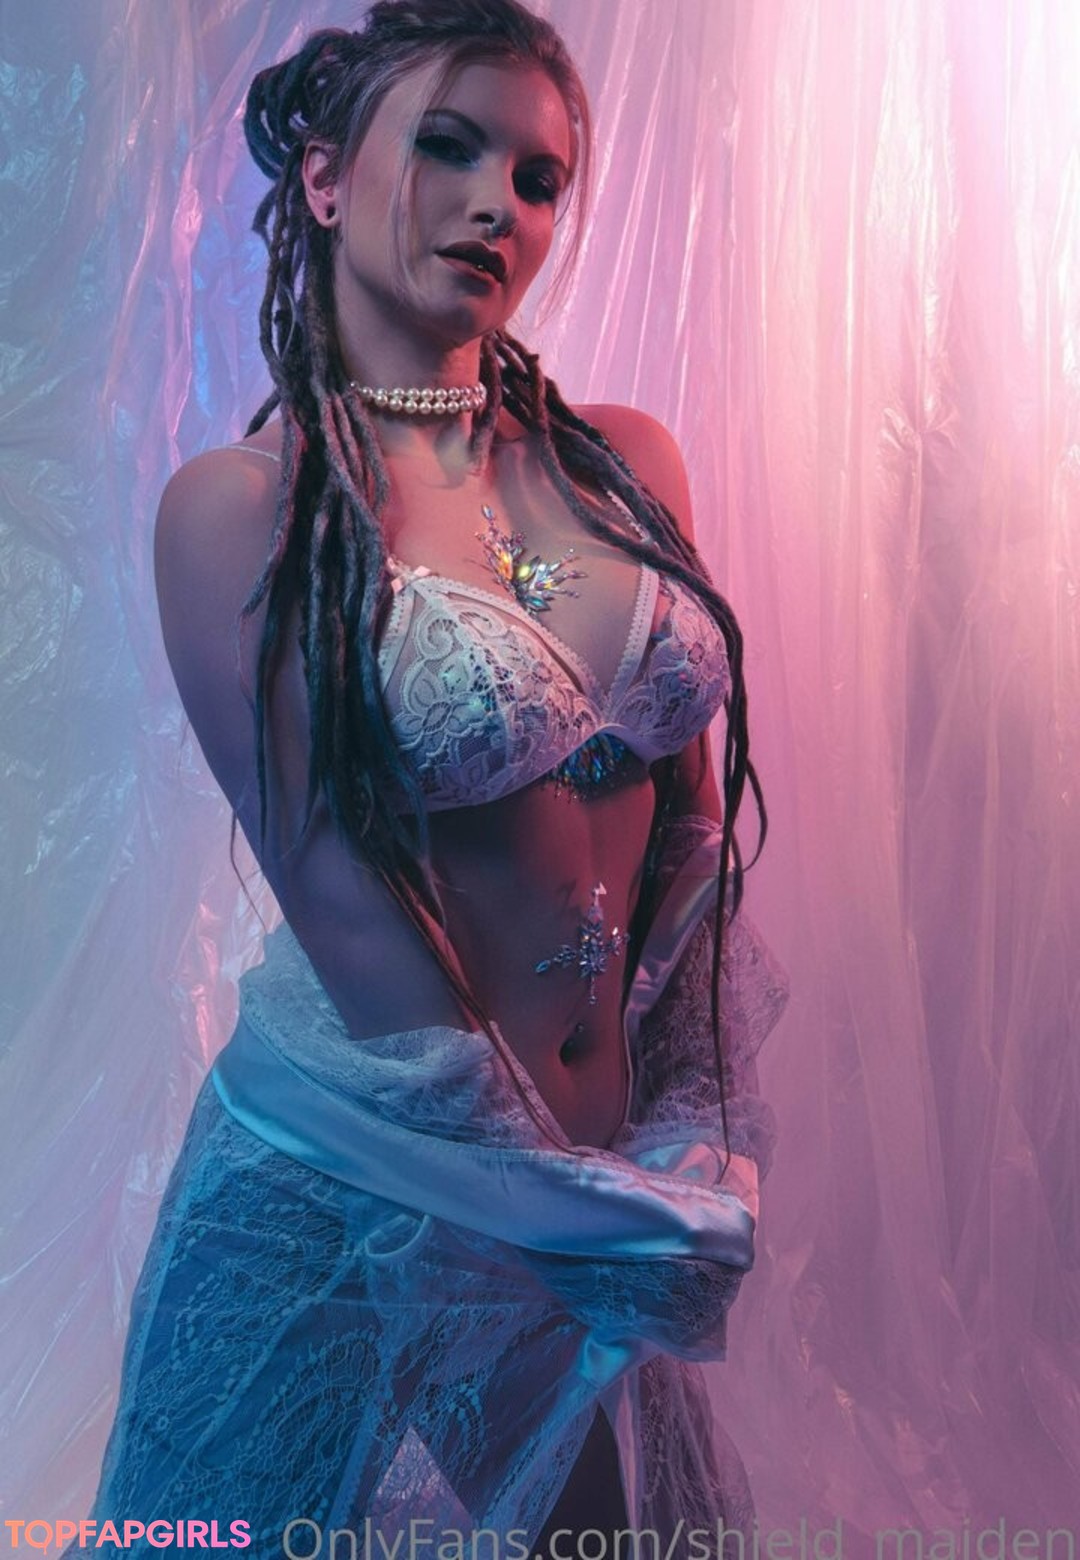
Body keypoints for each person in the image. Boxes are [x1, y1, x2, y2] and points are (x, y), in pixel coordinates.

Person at [70, 1, 786, 1552]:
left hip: (608, 1188)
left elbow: (687, 821)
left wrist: (690, 1120)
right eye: (449, 148)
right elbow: (348, 912)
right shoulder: (245, 511)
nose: (495, 205)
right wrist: (563, 1216)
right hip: (343, 1196)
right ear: (326, 180)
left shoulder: (626, 463)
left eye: (538, 178)